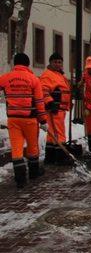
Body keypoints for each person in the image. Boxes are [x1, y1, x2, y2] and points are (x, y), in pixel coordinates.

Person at [0, 53, 47, 188]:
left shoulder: (6, 77)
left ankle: (20, 179)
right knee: (32, 146)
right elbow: (39, 101)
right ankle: (33, 173)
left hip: (13, 119)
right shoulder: (33, 79)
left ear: (15, 64)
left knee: (16, 148)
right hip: (29, 119)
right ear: (27, 64)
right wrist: (43, 119)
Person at [40, 52, 72, 165]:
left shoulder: (60, 75)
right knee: (59, 133)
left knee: (52, 134)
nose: (58, 64)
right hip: (55, 108)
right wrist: (50, 103)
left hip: (61, 108)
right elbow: (43, 90)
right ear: (50, 62)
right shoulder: (47, 75)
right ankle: (61, 158)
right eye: (55, 62)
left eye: (60, 62)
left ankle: (50, 157)